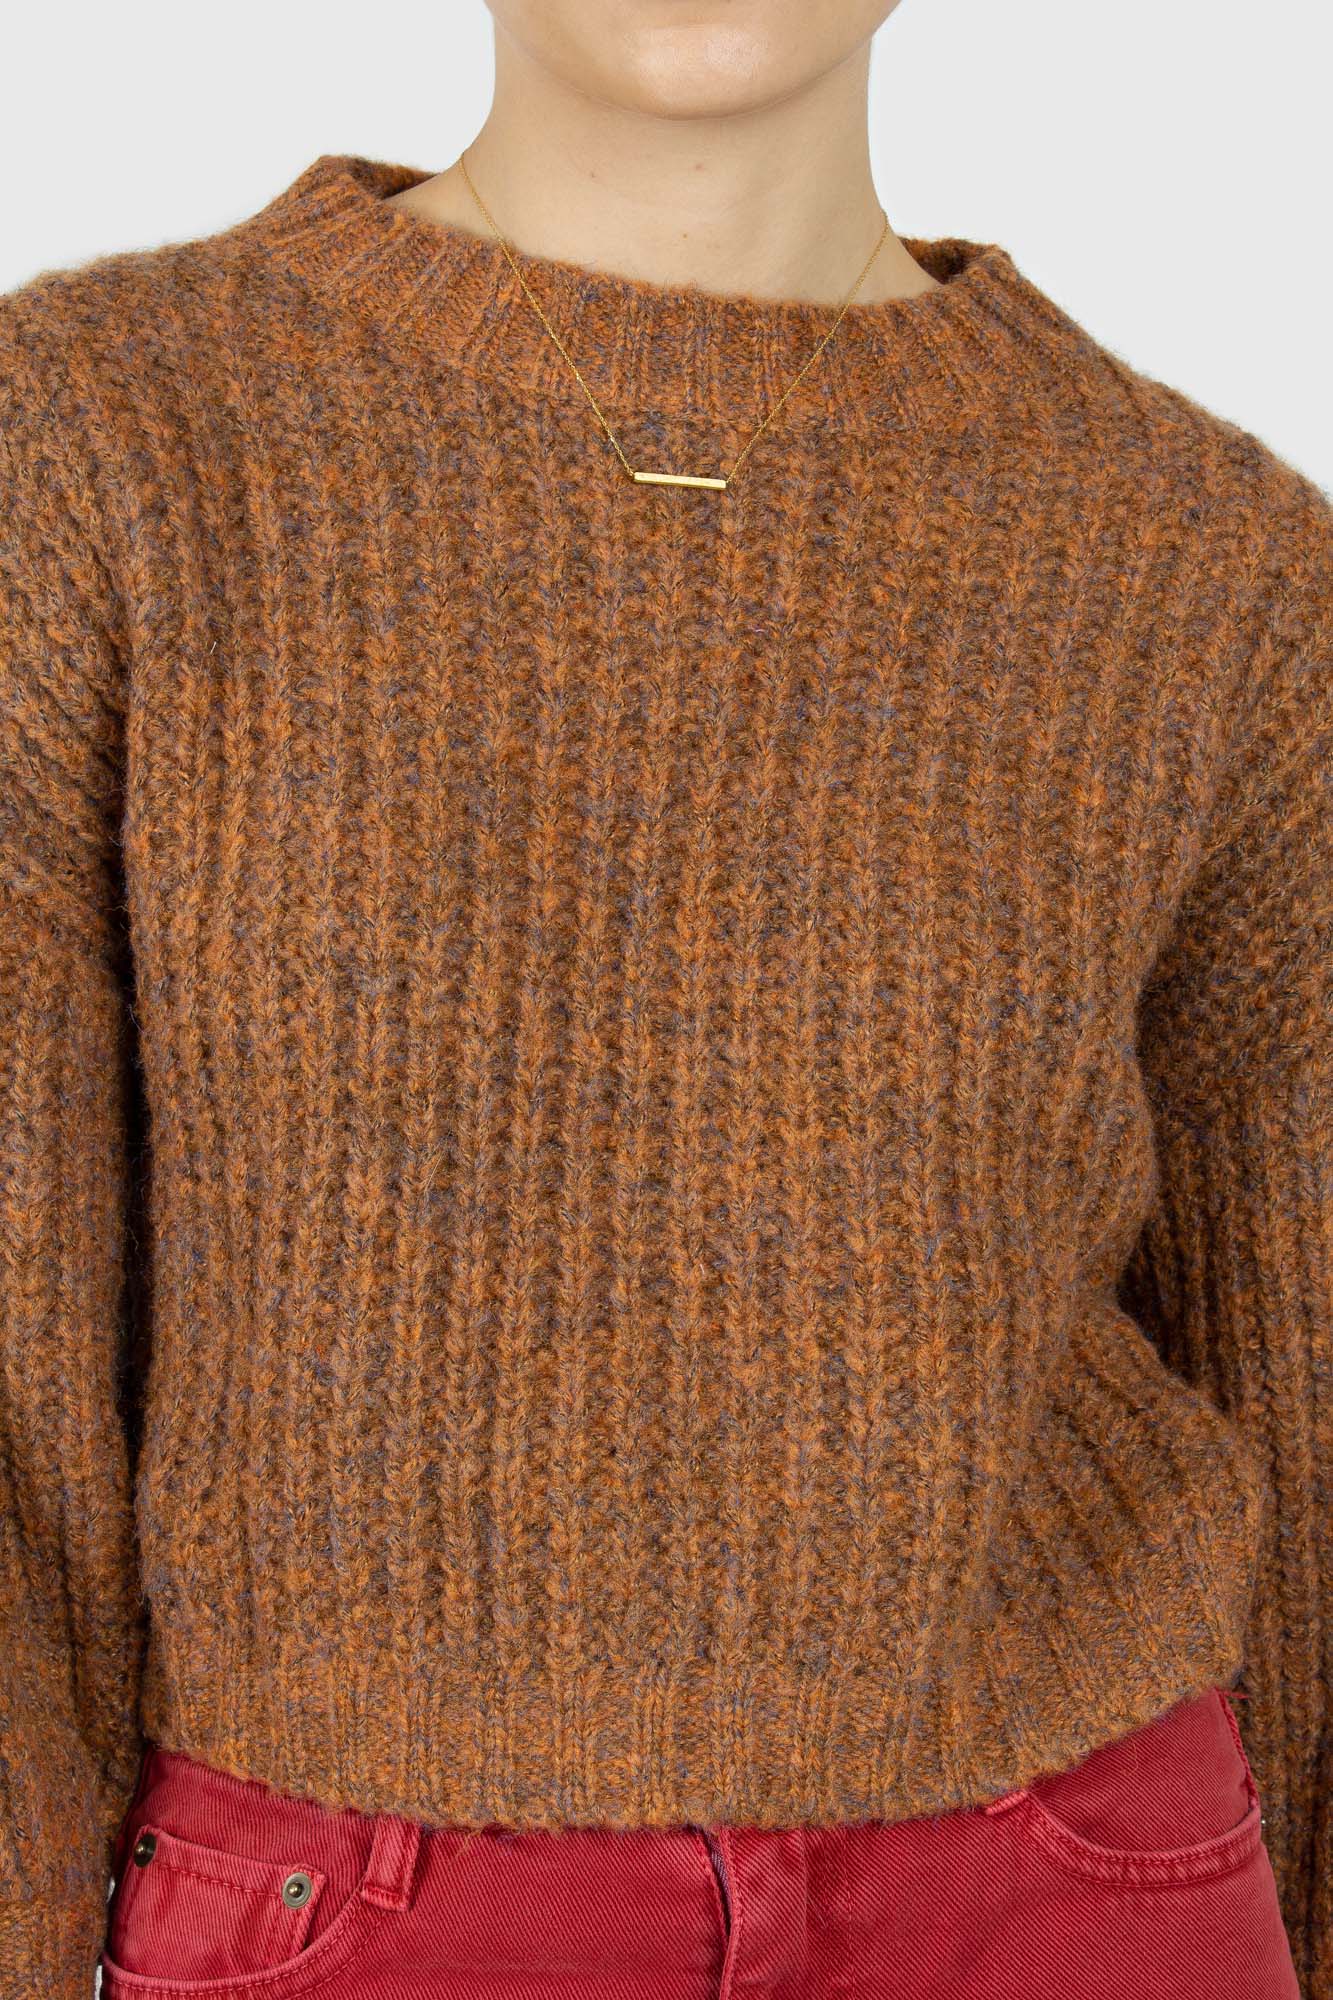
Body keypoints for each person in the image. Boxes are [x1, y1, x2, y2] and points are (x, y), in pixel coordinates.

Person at [0, 2, 1328, 1996]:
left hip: (1074, 1884)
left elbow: (1301, 1348)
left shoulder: (1212, 564)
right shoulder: (103, 435)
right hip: (344, 1904)